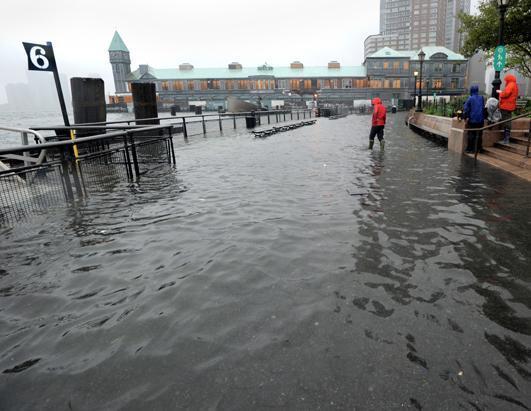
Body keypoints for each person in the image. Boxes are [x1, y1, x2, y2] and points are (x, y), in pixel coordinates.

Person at [463, 85, 485, 153]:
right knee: (479, 134)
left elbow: (466, 109)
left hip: (472, 120)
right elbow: (483, 107)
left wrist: (466, 117)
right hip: (481, 120)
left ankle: (470, 149)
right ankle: (479, 148)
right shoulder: (481, 97)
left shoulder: (470, 98)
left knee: (471, 134)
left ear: (471, 90)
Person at [497, 74, 519, 144]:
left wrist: (500, 93)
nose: (505, 81)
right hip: (510, 106)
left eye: (506, 80)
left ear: (508, 79)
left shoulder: (511, 84)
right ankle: (506, 138)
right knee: (507, 121)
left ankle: (506, 139)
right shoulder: (515, 85)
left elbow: (506, 93)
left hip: (506, 106)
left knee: (506, 122)